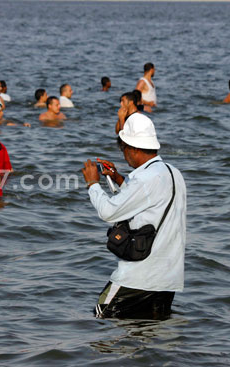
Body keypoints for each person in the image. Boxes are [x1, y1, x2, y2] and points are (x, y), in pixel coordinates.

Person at [81, 113, 186, 319]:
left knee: (100, 325)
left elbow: (108, 213)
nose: (123, 154)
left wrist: (92, 184)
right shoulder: (173, 173)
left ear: (134, 148)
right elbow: (146, 201)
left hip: (139, 278)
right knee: (149, 338)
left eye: (123, 148)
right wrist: (118, 178)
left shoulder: (145, 179)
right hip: (168, 279)